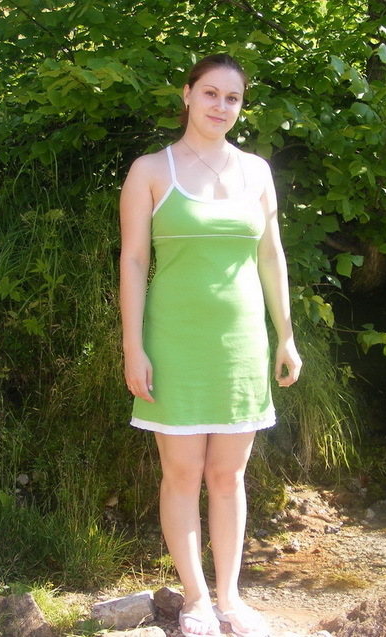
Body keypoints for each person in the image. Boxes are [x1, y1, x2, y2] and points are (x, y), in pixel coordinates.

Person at [119, 53, 302, 637]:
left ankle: (230, 598)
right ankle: (195, 599)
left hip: (242, 344)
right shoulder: (151, 170)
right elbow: (133, 261)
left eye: (233, 98)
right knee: (181, 474)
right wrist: (132, 347)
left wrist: (286, 336)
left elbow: (271, 256)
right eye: (211, 93)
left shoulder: (257, 172)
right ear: (188, 95)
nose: (222, 106)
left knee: (229, 476)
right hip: (173, 343)